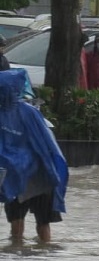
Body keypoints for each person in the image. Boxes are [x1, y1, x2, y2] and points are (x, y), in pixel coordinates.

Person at [0, 70, 69, 244]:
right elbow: (47, 146)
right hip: (26, 176)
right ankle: (41, 256)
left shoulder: (28, 113)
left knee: (29, 224)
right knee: (37, 224)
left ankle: (20, 252)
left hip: (32, 176)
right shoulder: (29, 112)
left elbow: (45, 145)